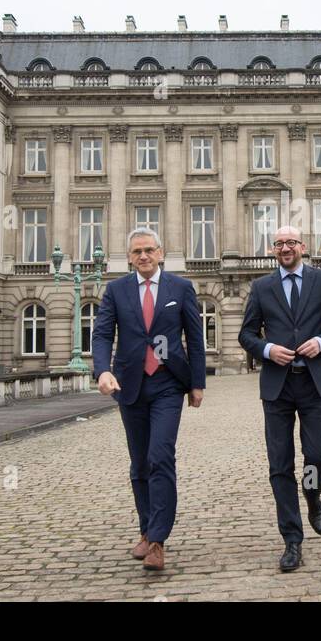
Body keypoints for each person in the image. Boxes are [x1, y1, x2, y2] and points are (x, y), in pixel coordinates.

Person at [91, 228, 205, 572]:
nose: (143, 256)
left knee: (160, 456)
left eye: (149, 250)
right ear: (129, 257)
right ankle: (145, 528)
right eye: (137, 251)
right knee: (139, 463)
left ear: (161, 253)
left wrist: (197, 383)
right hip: (131, 384)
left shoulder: (180, 288)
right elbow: (102, 333)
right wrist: (101, 371)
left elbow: (195, 338)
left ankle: (157, 540)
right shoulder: (116, 290)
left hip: (169, 383)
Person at [239, 225, 321, 572]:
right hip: (277, 386)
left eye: (290, 242)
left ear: (303, 246)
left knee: (316, 456)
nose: (285, 248)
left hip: (314, 382)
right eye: (279, 244)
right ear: (273, 250)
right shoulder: (261, 287)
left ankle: (313, 494)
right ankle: (292, 539)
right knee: (280, 464)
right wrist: (267, 349)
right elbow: (246, 333)